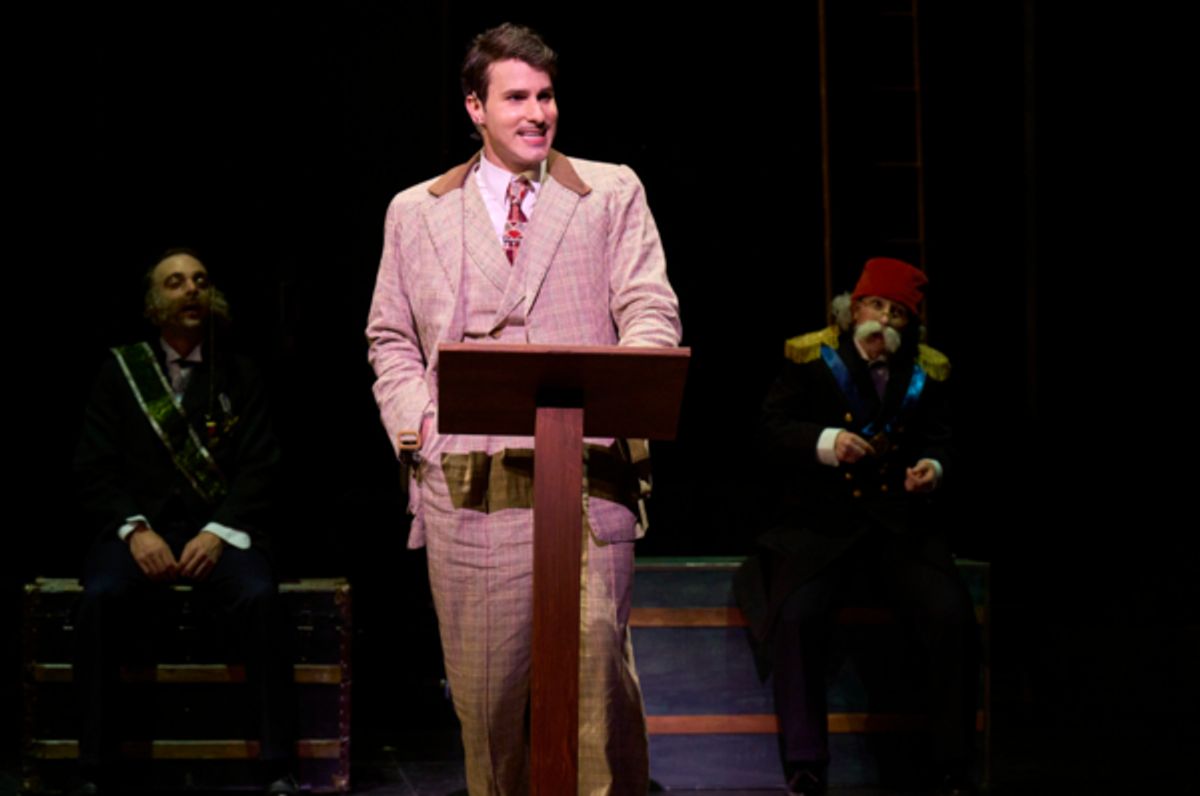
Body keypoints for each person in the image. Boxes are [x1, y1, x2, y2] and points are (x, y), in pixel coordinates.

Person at [366, 22, 681, 796]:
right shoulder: (416, 210)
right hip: (470, 484)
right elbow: (390, 338)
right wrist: (420, 430)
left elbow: (648, 307)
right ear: (475, 107)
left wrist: (627, 386)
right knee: (489, 702)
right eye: (516, 98)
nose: (537, 113)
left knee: (597, 693)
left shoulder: (609, 190)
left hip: (585, 474)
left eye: (546, 96)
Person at [740, 257, 978, 796]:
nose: (885, 322)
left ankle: (951, 765)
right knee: (797, 616)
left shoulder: (928, 370)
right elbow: (771, 433)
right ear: (852, 311)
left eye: (898, 315)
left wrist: (933, 468)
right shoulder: (810, 359)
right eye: (876, 307)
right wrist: (826, 442)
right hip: (821, 527)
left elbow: (948, 440)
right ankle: (806, 764)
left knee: (951, 614)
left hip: (898, 529)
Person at [73, 250, 295, 795]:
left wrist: (218, 533)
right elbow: (93, 468)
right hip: (141, 534)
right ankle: (94, 767)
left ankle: (277, 765)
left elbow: (261, 466)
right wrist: (135, 529)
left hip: (216, 533)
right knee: (98, 596)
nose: (190, 290)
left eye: (199, 280)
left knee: (261, 596)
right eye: (175, 283)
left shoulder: (239, 371)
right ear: (153, 305)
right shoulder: (119, 372)